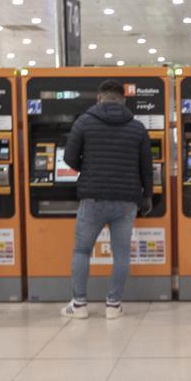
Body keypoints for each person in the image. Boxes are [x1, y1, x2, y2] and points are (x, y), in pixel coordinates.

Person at [61, 80, 153, 320]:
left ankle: (79, 304)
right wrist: (148, 196)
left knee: (82, 251)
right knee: (121, 253)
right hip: (126, 201)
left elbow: (69, 158)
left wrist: (89, 169)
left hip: (93, 199)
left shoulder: (83, 122)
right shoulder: (137, 128)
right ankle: (113, 304)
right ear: (123, 100)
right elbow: (147, 167)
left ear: (99, 98)